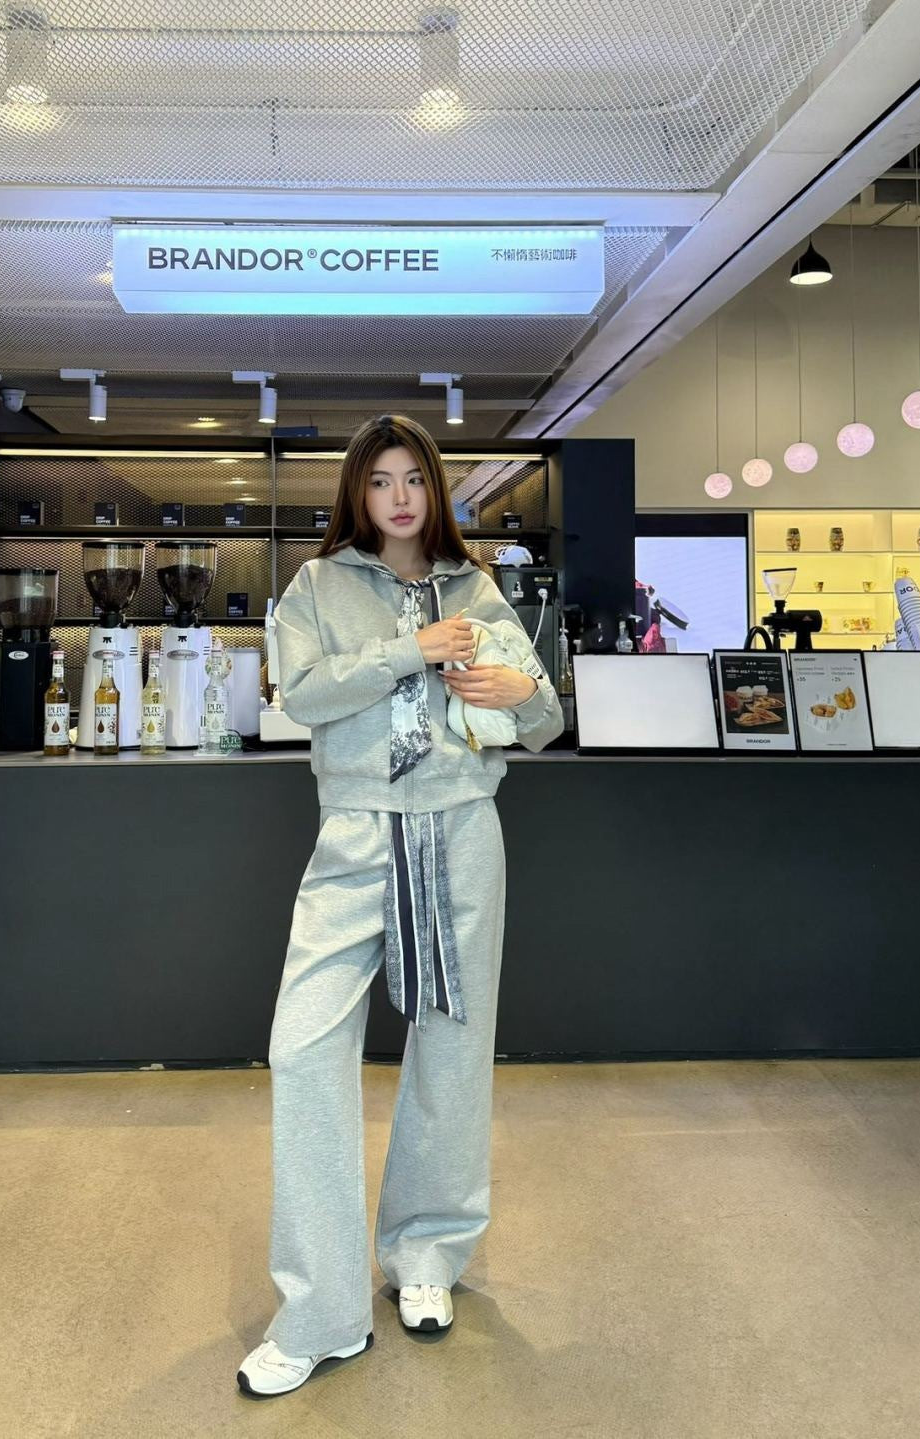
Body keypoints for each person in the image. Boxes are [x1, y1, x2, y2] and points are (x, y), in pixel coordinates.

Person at [237, 414, 564, 1398]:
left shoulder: (477, 587)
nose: (399, 497)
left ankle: (426, 1254)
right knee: (304, 1048)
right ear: (357, 492)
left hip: (460, 829)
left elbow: (543, 717)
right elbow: (302, 695)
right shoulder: (317, 585)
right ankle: (322, 1309)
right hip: (356, 835)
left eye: (413, 477)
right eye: (380, 480)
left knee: (453, 1049)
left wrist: (516, 691)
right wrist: (408, 648)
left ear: (435, 487)